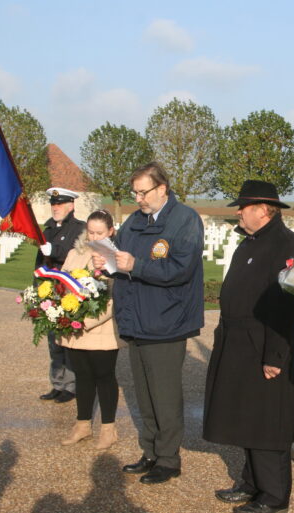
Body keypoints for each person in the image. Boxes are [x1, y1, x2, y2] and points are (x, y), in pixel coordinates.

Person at [92, 162, 204, 485]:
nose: (139, 199)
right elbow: (122, 259)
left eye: (143, 192)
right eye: (136, 193)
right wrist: (108, 264)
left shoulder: (185, 220)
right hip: (137, 321)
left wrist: (135, 264)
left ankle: (169, 459)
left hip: (167, 322)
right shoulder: (135, 222)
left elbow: (180, 269)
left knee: (165, 395)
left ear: (162, 189)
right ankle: (151, 451)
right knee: (143, 393)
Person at [203, 180, 294, 513]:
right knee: (247, 418)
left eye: (244, 206)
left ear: (264, 210)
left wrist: (275, 355)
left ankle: (274, 496)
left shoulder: (285, 244)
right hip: (238, 344)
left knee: (268, 424)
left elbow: (289, 305)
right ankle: (251, 483)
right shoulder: (251, 242)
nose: (238, 211)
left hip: (266, 344)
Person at [58, 209, 124, 450]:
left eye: (99, 232)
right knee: (82, 377)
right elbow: (62, 286)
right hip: (74, 329)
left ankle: (109, 429)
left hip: (101, 330)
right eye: (91, 232)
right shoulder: (74, 253)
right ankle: (82, 425)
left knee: (104, 377)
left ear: (110, 232)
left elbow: (114, 298)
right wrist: (62, 316)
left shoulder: (115, 258)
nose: (94, 237)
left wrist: (84, 321)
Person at [38, 187, 86, 404]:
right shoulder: (46, 229)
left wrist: (52, 250)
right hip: (49, 292)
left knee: (68, 341)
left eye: (60, 204)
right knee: (53, 343)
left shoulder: (79, 229)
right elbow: (40, 263)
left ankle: (72, 385)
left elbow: (70, 253)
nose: (55, 208)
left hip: (68, 291)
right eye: (53, 204)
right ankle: (57, 383)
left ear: (71, 205)